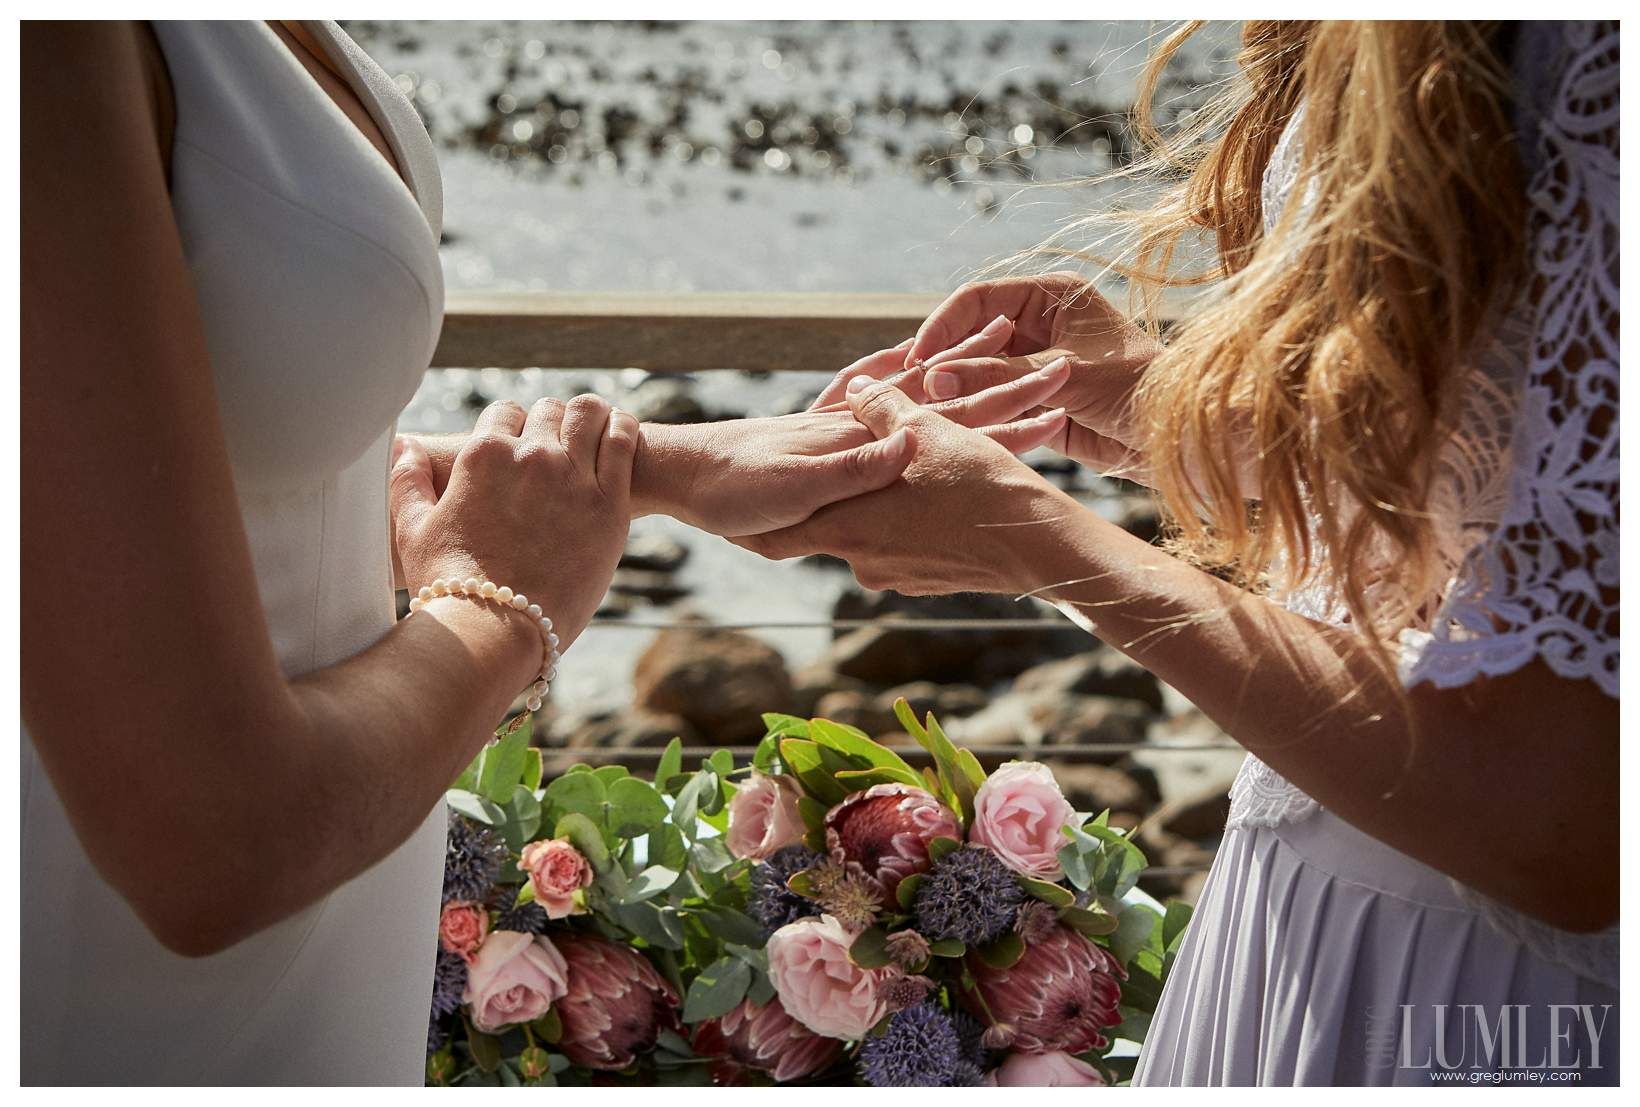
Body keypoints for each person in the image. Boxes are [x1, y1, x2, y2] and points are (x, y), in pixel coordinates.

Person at [18, 21, 1061, 1085]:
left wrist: (650, 468)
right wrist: (504, 605)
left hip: (333, 951)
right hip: (116, 992)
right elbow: (208, 842)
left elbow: (232, 485)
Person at [743, 20, 1619, 1084]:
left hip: (1483, 990)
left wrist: (1041, 543)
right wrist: (1181, 416)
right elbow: (1497, 478)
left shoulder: (1596, 60)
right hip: (1303, 907)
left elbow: (1563, 820)